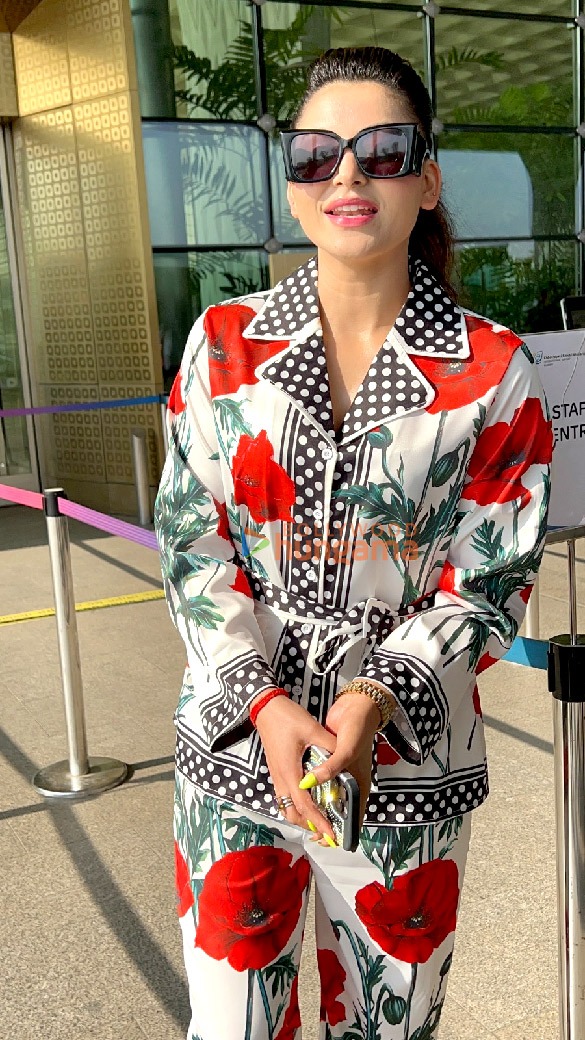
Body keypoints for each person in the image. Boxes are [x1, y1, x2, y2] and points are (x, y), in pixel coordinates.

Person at [154, 46, 552, 1040]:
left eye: (381, 150)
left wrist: (371, 700)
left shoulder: (495, 371)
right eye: (315, 154)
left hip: (405, 765)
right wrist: (266, 696)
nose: (347, 175)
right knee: (233, 1025)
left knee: (389, 1027)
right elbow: (190, 535)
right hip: (237, 749)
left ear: (427, 177)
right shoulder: (224, 343)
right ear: (292, 183)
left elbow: (489, 578)